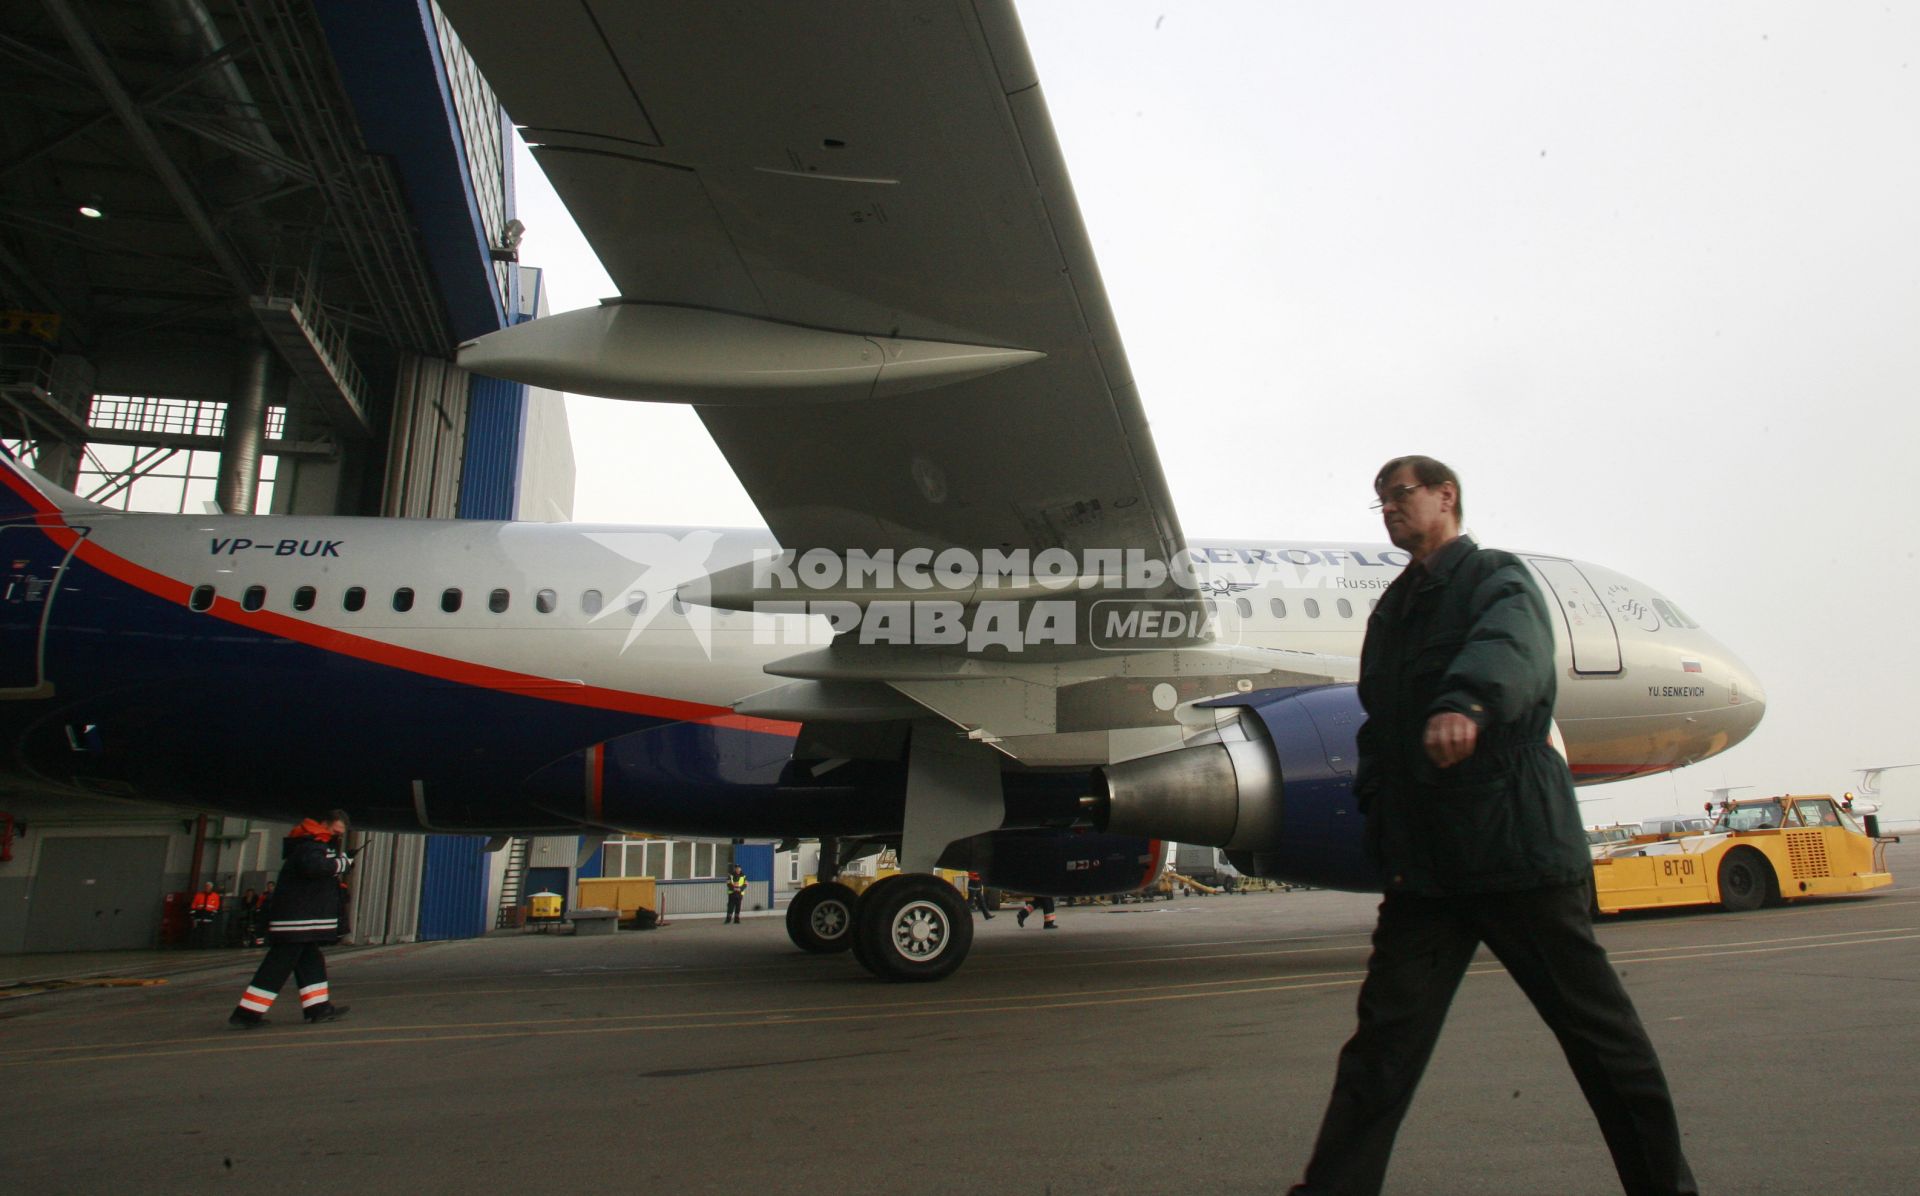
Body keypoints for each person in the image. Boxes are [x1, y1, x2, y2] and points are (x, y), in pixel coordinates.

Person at [1288, 457, 1695, 1196]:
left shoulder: (1497, 581)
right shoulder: (1393, 609)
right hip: (1427, 870)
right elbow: (1380, 721)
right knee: (1380, 1055)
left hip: (1514, 856)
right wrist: (1378, 801)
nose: (1388, 510)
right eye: (1380, 501)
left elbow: (1510, 655)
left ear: (1447, 497)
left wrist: (1466, 703)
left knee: (1603, 1048)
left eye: (1401, 495)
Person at [227, 811, 356, 1029]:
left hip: (301, 921)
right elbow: (314, 868)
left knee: (311, 962)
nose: (337, 837)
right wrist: (342, 864)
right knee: (276, 967)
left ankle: (318, 1008)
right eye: (335, 832)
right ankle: (246, 1014)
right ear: (324, 824)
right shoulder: (311, 845)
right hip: (298, 921)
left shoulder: (312, 844)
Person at [188, 882, 222, 948]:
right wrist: (193, 915)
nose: (207, 888)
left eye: (208, 886)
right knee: (198, 931)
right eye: (206, 886)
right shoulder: (199, 895)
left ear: (211, 888)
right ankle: (197, 945)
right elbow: (194, 905)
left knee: (207, 931)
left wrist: (213, 914)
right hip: (199, 915)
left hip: (208, 916)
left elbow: (216, 906)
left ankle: (205, 945)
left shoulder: (215, 896)